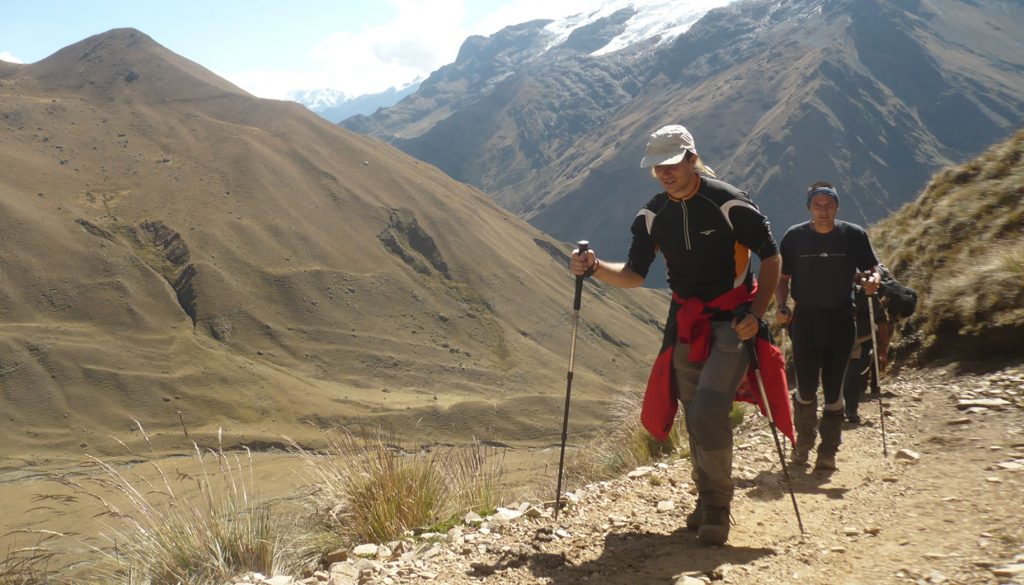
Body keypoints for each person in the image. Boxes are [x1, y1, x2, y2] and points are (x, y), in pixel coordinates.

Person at [569, 124, 781, 546]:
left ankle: (717, 507)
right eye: (657, 166)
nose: (664, 173)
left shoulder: (730, 203)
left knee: (708, 410)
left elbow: (771, 257)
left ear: (691, 159)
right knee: (693, 410)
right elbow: (634, 274)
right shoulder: (652, 216)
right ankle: (706, 498)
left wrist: (757, 314)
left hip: (733, 320)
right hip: (685, 320)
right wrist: (594, 268)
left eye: (671, 164)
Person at [774, 182, 880, 471]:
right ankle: (804, 442)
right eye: (817, 205)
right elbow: (782, 279)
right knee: (806, 388)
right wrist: (781, 306)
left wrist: (873, 280)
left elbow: (872, 268)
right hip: (805, 321)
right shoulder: (794, 237)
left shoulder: (853, 235)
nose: (823, 210)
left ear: (837, 206)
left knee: (834, 389)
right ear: (809, 207)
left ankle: (828, 450)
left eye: (828, 204)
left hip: (841, 319)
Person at [843, 285, 887, 423]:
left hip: (861, 342)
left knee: (852, 373)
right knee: (845, 375)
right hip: (839, 342)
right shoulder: (831, 291)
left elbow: (881, 320)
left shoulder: (867, 294)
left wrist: (883, 348)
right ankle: (841, 408)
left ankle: (850, 408)